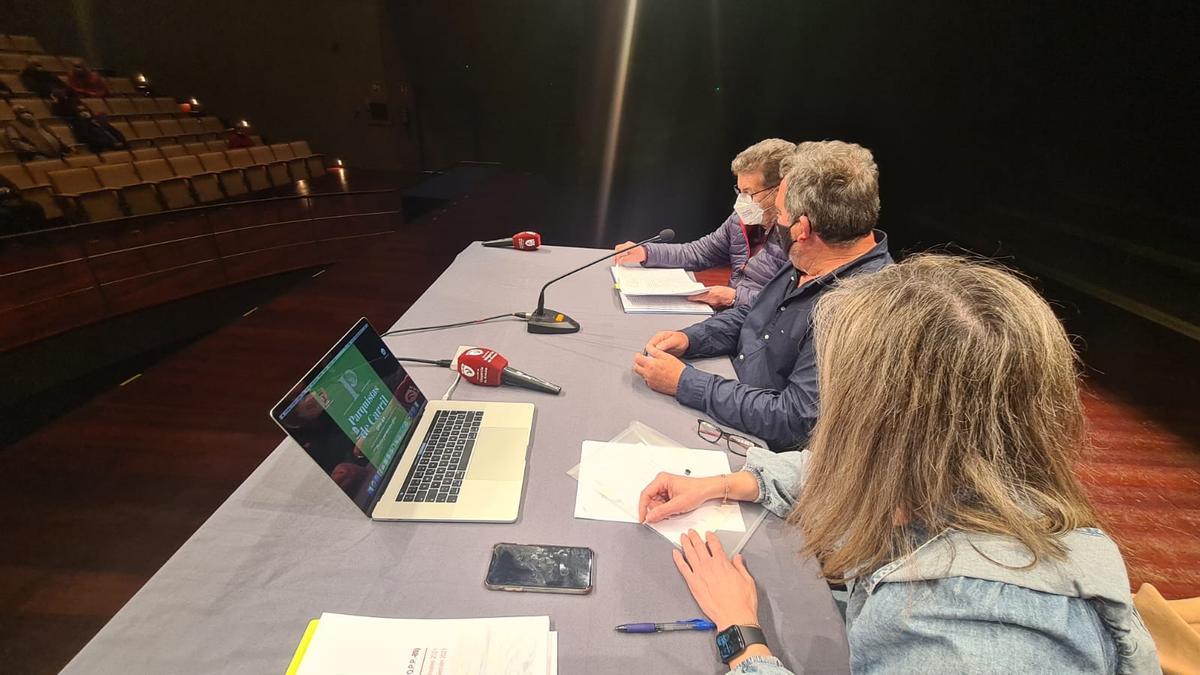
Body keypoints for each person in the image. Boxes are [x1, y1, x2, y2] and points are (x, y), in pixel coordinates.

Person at [638, 255, 1160, 674]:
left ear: (884, 424)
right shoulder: (987, 478)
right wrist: (733, 481)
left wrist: (742, 637)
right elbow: (843, 470)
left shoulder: (970, 645)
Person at [633, 141, 890, 450]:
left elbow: (793, 421)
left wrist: (686, 383)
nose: (774, 223)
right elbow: (754, 316)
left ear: (802, 229)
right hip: (733, 396)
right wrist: (691, 339)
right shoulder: (811, 258)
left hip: (759, 448)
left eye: (780, 213)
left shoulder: (859, 308)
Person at [612, 139, 794, 309]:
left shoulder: (800, 237)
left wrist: (734, 297)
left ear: (779, 190)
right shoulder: (742, 220)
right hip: (731, 316)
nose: (742, 201)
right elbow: (700, 252)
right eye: (740, 191)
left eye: (749, 192)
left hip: (760, 328)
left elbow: (792, 306)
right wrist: (646, 252)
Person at [4, 104, 71, 161]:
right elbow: (16, 142)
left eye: (28, 113)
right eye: (23, 113)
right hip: (36, 155)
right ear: (18, 115)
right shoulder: (13, 126)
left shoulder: (38, 123)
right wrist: (34, 149)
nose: (27, 115)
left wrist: (63, 145)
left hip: (58, 152)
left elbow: (54, 135)